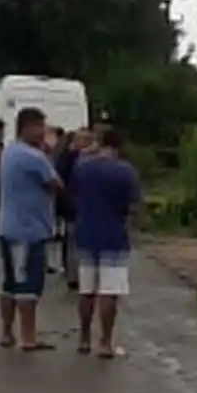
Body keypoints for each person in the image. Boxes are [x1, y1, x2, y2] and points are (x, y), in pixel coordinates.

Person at [68, 126, 142, 358]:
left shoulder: (82, 168)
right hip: (113, 235)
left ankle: (84, 338)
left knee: (86, 289)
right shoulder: (126, 171)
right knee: (109, 292)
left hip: (86, 232)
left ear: (99, 142)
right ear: (120, 145)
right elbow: (133, 206)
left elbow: (74, 196)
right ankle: (105, 342)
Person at [0, 107, 62, 351]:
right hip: (28, 230)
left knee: (10, 283)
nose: (43, 132)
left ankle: (7, 332)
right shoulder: (34, 157)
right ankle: (28, 336)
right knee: (27, 286)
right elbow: (56, 185)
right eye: (39, 127)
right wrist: (50, 152)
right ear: (26, 127)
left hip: (8, 226)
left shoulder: (9, 151)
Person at [55, 129, 93, 290]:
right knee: (74, 240)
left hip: (73, 204)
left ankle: (73, 273)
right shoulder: (76, 159)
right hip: (76, 205)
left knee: (72, 239)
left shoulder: (68, 158)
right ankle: (75, 273)